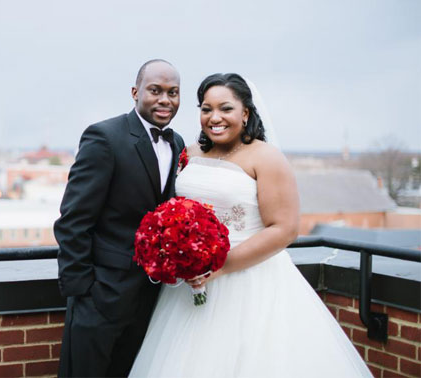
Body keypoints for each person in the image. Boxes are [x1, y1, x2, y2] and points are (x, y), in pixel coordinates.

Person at [129, 73, 372, 377]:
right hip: (188, 287)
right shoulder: (189, 152)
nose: (214, 117)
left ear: (245, 113)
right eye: (206, 109)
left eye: (225, 108)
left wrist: (219, 268)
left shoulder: (266, 157)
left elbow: (284, 229)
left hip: (250, 281)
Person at [54, 59, 185, 377]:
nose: (165, 100)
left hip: (151, 298)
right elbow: (73, 219)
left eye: (173, 92)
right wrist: (84, 290)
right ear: (135, 91)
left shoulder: (178, 143)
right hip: (101, 296)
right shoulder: (104, 137)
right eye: (155, 90)